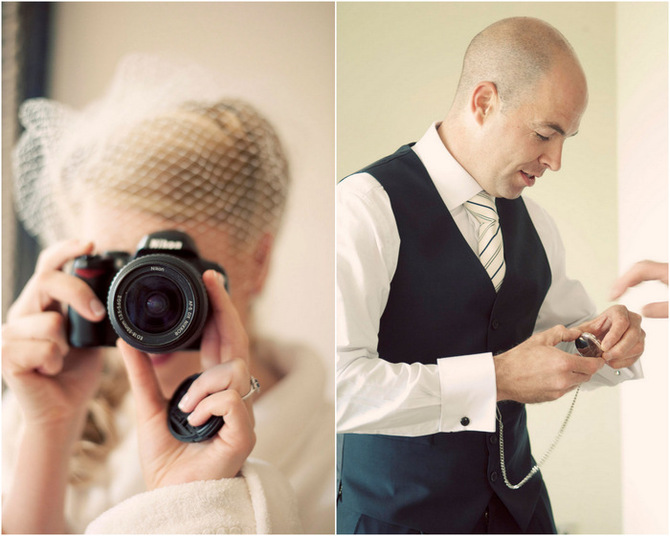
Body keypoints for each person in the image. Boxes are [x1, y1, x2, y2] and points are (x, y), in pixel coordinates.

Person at [337, 17, 645, 534]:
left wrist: (612, 343)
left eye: (565, 138)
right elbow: (341, 386)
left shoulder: (538, 224)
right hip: (396, 520)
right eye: (546, 133)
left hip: (521, 514)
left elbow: (568, 343)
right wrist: (496, 378)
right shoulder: (365, 208)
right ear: (483, 103)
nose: (556, 160)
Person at [2, 54, 333, 533]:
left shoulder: (337, 452)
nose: (146, 308)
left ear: (257, 263)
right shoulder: (34, 411)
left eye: (174, 277)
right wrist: (49, 433)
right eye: (123, 273)